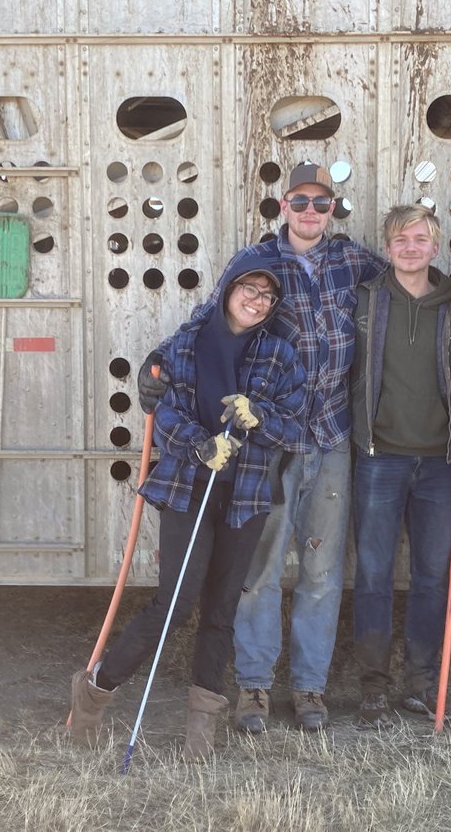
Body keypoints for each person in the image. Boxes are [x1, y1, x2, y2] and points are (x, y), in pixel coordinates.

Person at [139, 162, 384, 732]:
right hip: (266, 440)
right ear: (283, 206)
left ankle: (309, 689)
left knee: (322, 571)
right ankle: (254, 687)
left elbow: (417, 284)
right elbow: (204, 322)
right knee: (260, 570)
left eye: (321, 203)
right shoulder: (257, 264)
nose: (310, 212)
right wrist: (154, 369)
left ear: (332, 210)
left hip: (331, 435)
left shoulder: (355, 261)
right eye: (300, 201)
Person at [70, 256, 305, 759]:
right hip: (186, 487)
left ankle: (201, 731)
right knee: (175, 602)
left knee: (221, 610)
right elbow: (164, 408)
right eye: (250, 289)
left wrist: (259, 418)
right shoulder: (187, 341)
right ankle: (94, 692)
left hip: (244, 496)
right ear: (227, 289)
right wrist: (202, 445)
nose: (257, 301)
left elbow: (295, 429)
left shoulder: (281, 353)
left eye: (268, 295)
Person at [349, 204, 451, 726]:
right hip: (379, 458)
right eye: (401, 239)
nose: (411, 247)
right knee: (372, 576)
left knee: (432, 578)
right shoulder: (367, 300)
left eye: (420, 239)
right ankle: (373, 686)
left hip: (440, 462)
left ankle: (422, 682)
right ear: (388, 247)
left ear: (435, 248)